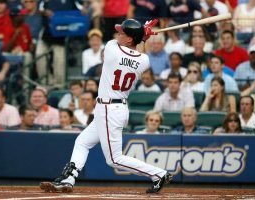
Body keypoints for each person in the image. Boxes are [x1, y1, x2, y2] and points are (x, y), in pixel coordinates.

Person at [40, 19, 172, 194]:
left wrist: (143, 35)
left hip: (110, 110)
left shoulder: (111, 49)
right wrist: (143, 38)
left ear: (130, 39)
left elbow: (126, 47)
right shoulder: (144, 60)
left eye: (122, 33)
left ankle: (159, 174)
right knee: (82, 142)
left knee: (114, 159)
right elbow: (137, 53)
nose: (118, 34)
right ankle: (68, 179)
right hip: (112, 109)